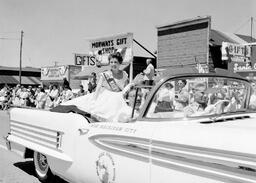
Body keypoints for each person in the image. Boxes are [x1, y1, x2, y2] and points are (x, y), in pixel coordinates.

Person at [63, 52, 133, 122]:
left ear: (119, 63)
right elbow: (98, 89)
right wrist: (94, 102)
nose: (113, 64)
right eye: (111, 62)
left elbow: (126, 88)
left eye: (115, 62)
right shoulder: (105, 75)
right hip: (107, 100)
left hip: (120, 101)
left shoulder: (124, 74)